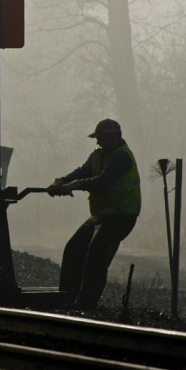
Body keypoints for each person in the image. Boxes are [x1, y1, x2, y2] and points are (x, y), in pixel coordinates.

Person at [46, 117, 142, 310]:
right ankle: (67, 296)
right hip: (101, 216)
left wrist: (77, 185)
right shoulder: (98, 155)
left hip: (121, 216)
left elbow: (104, 181)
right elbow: (82, 171)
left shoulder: (121, 157)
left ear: (113, 137)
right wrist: (61, 181)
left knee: (96, 254)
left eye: (100, 138)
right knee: (74, 248)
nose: (97, 142)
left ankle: (86, 304)